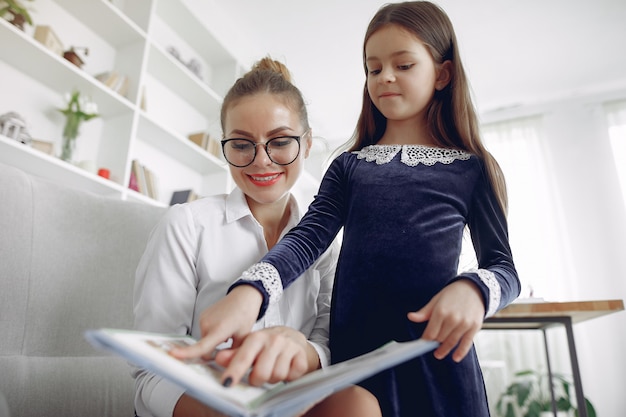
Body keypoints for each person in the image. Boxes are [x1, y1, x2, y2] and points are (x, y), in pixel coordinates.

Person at [173, 2, 521, 416]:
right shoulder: (349, 166)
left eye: (404, 65)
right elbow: (306, 239)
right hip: (355, 364)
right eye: (373, 69)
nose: (385, 77)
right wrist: (252, 290)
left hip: (438, 362)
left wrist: (475, 290)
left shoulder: (472, 168)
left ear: (443, 74)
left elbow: (504, 268)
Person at [132, 57, 380, 417]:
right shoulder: (186, 225)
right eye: (242, 144)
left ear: (307, 144)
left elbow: (328, 342)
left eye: (280, 141)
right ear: (225, 146)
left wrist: (305, 353)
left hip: (292, 402)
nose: (261, 161)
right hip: (206, 402)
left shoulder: (324, 245)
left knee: (360, 404)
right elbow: (150, 368)